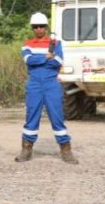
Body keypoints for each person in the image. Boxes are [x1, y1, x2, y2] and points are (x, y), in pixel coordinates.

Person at [18, 12, 77, 164]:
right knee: (31, 117)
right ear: (32, 28)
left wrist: (41, 59)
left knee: (57, 117)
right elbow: (28, 60)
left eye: (41, 26)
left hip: (51, 83)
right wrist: (46, 57)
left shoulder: (56, 43)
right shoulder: (27, 44)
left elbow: (58, 61)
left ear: (46, 27)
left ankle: (66, 150)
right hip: (34, 84)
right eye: (36, 27)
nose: (39, 29)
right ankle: (26, 149)